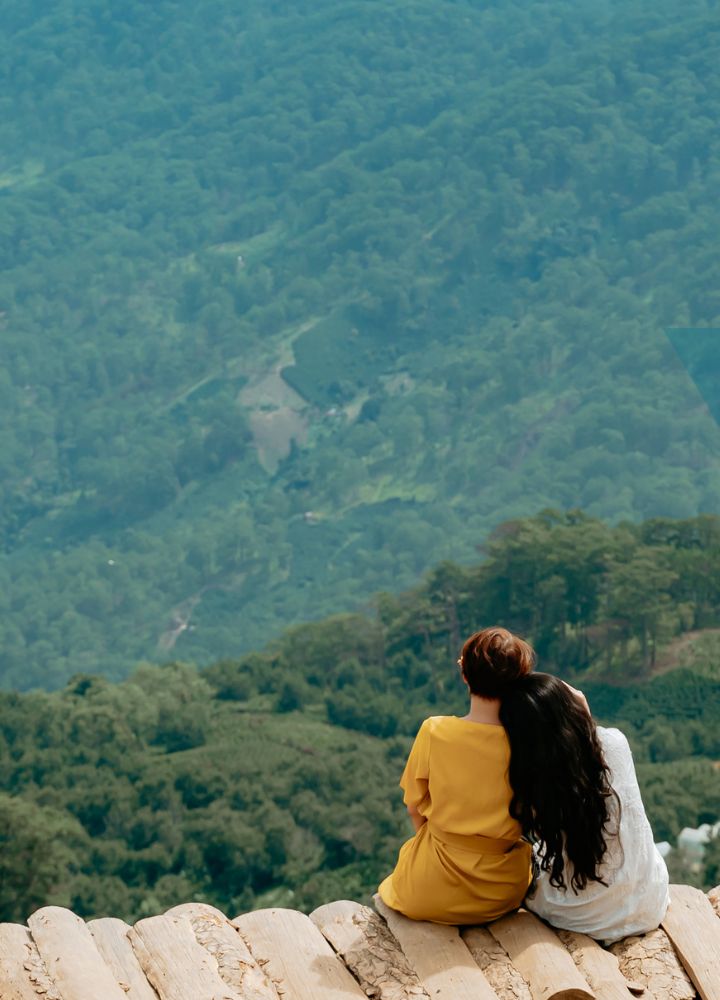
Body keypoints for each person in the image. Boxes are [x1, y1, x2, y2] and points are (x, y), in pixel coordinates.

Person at [377, 626, 536, 924]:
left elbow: (413, 806)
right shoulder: (528, 742)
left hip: (428, 889)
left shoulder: (435, 731)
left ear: (465, 676)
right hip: (501, 893)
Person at [499, 673, 670, 944]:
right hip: (647, 905)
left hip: (581, 916)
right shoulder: (615, 743)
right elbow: (586, 745)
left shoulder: (531, 776)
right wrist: (580, 705)